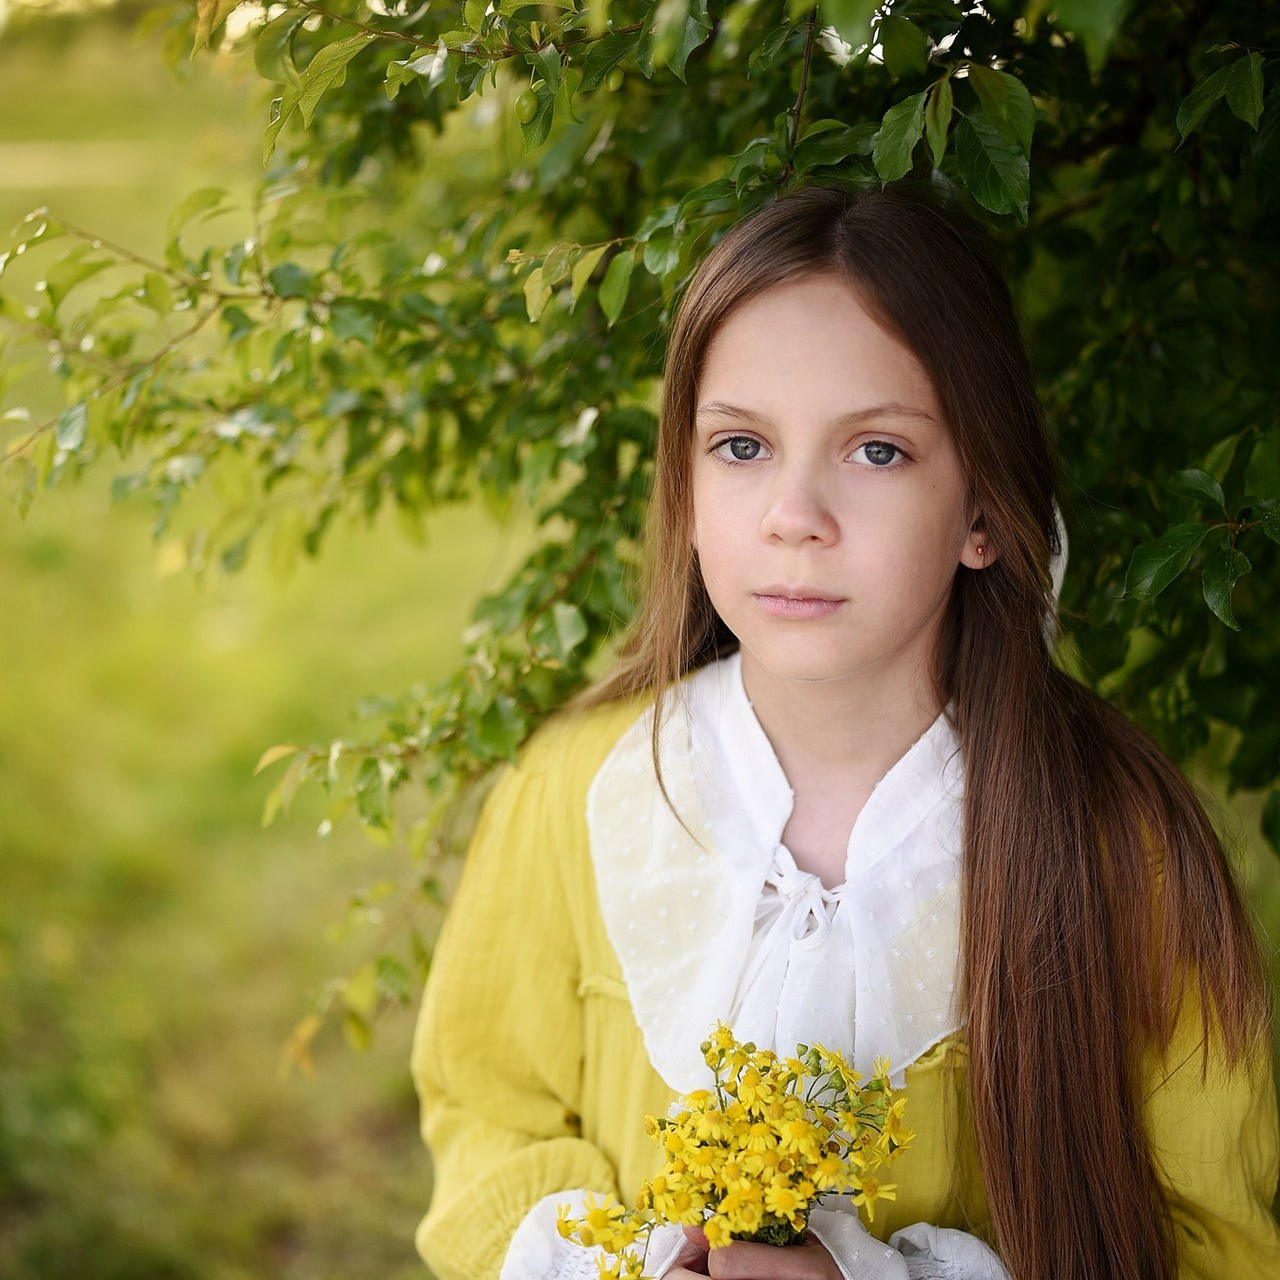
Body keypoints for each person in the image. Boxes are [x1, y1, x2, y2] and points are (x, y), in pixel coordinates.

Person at [409, 184, 1280, 1280]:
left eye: (876, 451)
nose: (793, 514)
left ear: (980, 510)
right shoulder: (578, 787)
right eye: (740, 446)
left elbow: (1217, 1244)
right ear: (682, 477)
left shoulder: (1118, 840)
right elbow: (486, 1110)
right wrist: (625, 1263)